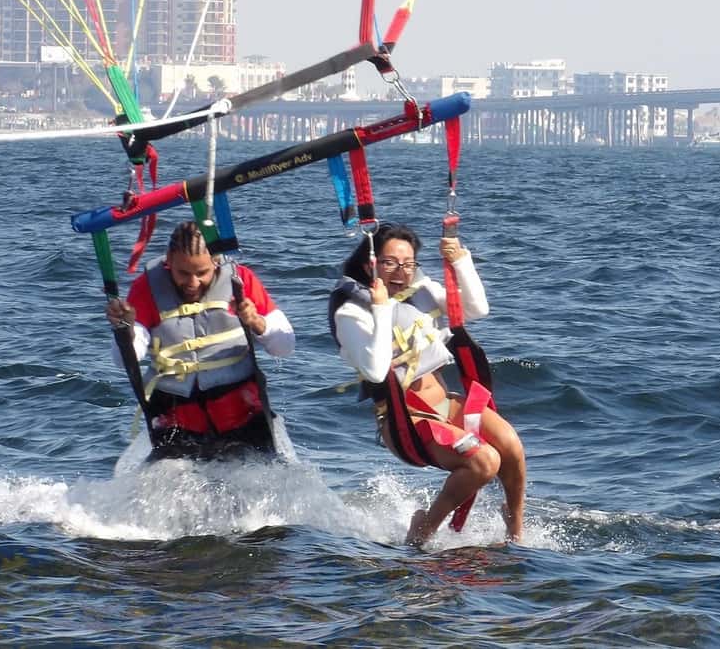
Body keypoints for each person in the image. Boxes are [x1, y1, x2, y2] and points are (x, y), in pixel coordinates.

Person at [329, 222, 525, 545]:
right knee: (484, 461)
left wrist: (460, 259)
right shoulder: (351, 313)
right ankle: (422, 531)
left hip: (444, 402)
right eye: (390, 263)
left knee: (512, 447)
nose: (401, 272)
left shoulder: (421, 291)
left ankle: (514, 531)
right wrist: (380, 308)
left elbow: (476, 308)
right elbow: (377, 372)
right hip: (405, 420)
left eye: (408, 264)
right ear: (371, 264)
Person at [106, 220, 295, 461]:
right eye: (183, 273)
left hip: (243, 415)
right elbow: (124, 360)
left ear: (215, 261)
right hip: (176, 421)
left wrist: (256, 321)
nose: (193, 283)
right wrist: (126, 328)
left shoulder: (241, 281)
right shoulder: (146, 289)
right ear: (169, 260)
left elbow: (285, 345)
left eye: (202, 273)